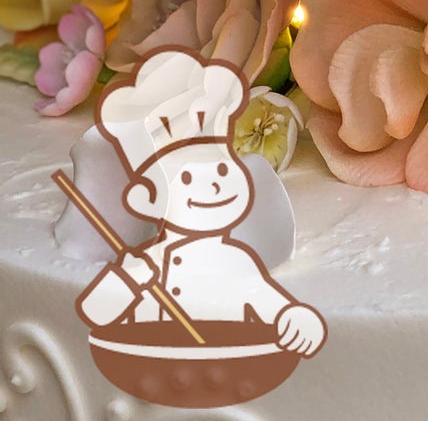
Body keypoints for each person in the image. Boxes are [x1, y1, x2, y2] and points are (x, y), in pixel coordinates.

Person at [76, 48, 326, 358]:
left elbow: (269, 303)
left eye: (222, 169)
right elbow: (96, 312)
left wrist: (295, 320)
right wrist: (128, 274)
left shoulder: (238, 256)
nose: (214, 185)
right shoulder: (148, 263)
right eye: (187, 179)